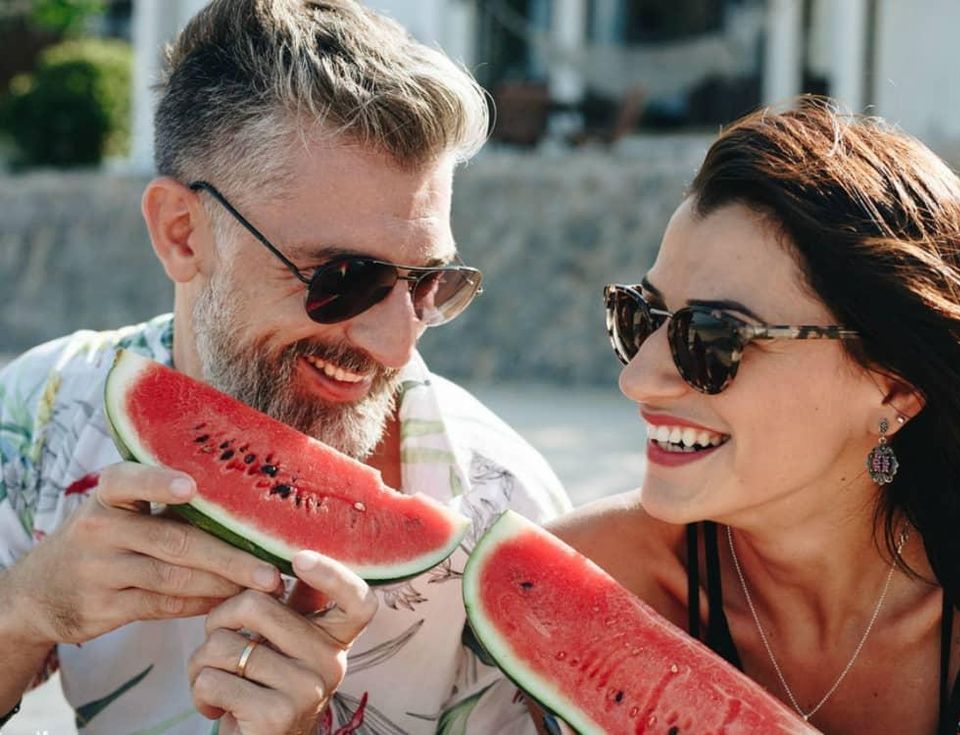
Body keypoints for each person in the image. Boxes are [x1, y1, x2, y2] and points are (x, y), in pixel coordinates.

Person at [0, 1, 570, 733]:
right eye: (342, 278)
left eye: (429, 283)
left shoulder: (506, 518)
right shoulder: (42, 418)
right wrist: (23, 609)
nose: (397, 343)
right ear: (182, 235)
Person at [543, 98, 960, 734]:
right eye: (640, 318)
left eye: (714, 338)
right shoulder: (581, 581)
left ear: (895, 389)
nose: (638, 380)